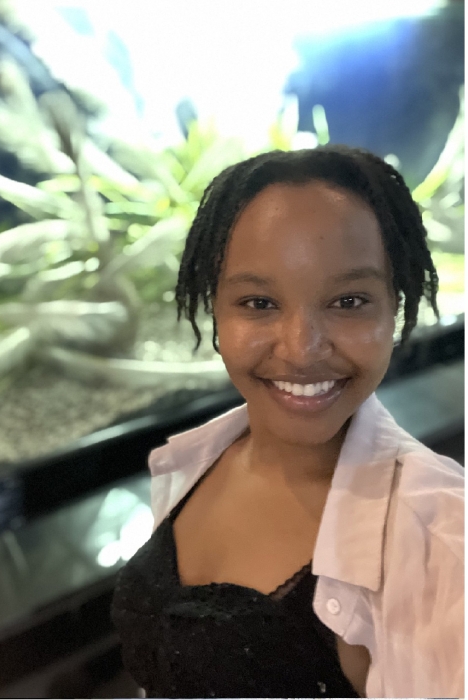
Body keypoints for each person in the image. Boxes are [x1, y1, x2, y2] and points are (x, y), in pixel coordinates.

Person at [110, 146, 464, 698]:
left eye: (348, 301)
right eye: (258, 303)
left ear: (394, 306)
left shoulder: (442, 543)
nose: (301, 349)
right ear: (216, 309)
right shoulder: (195, 459)